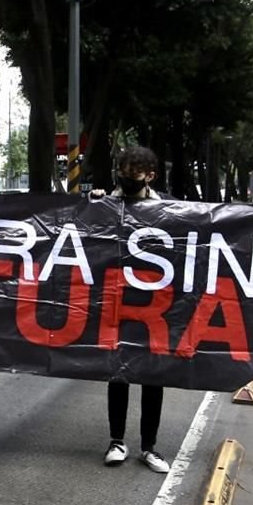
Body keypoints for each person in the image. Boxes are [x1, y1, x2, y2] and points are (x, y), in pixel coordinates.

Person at [90, 146, 170, 474]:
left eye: (133, 172)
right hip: (117, 304)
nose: (126, 176)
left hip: (155, 306)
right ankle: (117, 441)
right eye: (122, 170)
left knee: (153, 376)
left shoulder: (169, 208)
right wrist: (93, 204)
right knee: (119, 373)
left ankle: (149, 447)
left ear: (150, 176)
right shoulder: (105, 204)